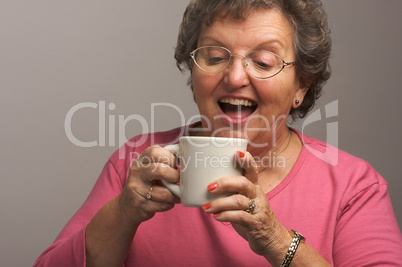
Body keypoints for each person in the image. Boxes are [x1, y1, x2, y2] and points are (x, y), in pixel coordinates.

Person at [35, 0, 402, 266]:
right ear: (193, 75)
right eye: (215, 57)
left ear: (300, 86)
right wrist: (124, 211)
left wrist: (273, 238)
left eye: (263, 61)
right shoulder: (137, 162)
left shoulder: (354, 186)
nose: (235, 77)